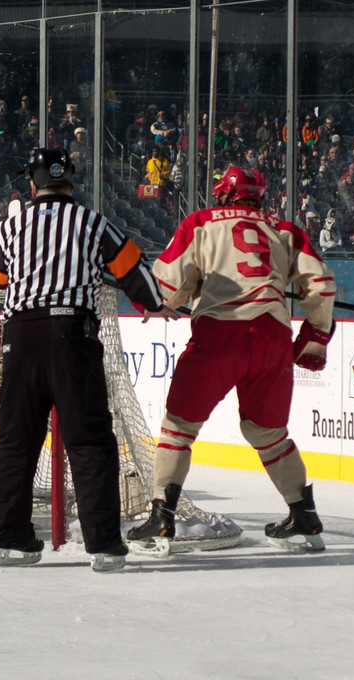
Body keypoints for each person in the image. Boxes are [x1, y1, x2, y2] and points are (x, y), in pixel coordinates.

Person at [0, 148, 176, 572]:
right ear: (69, 183)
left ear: (32, 186)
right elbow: (133, 268)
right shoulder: (93, 222)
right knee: (89, 442)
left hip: (22, 337)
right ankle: (103, 545)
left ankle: (10, 540)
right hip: (74, 336)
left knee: (16, 442)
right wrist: (154, 301)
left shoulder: (12, 225)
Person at [128, 166, 336, 553]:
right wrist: (317, 333)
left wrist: (149, 301)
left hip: (220, 333)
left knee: (178, 428)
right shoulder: (286, 230)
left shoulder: (201, 222)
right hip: (273, 336)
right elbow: (321, 285)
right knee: (268, 433)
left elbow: (169, 284)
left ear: (224, 193)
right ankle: (304, 515)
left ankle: (162, 517)